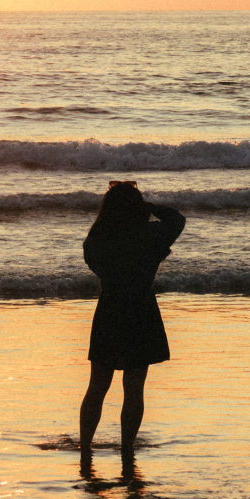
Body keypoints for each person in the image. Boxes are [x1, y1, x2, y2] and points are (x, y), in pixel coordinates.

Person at [80, 181, 185, 454]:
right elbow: (177, 219)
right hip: (141, 308)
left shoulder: (97, 240)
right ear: (137, 207)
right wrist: (148, 207)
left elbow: (94, 261)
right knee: (134, 388)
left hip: (110, 308)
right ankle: (127, 448)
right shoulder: (150, 236)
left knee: (98, 385)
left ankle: (85, 448)